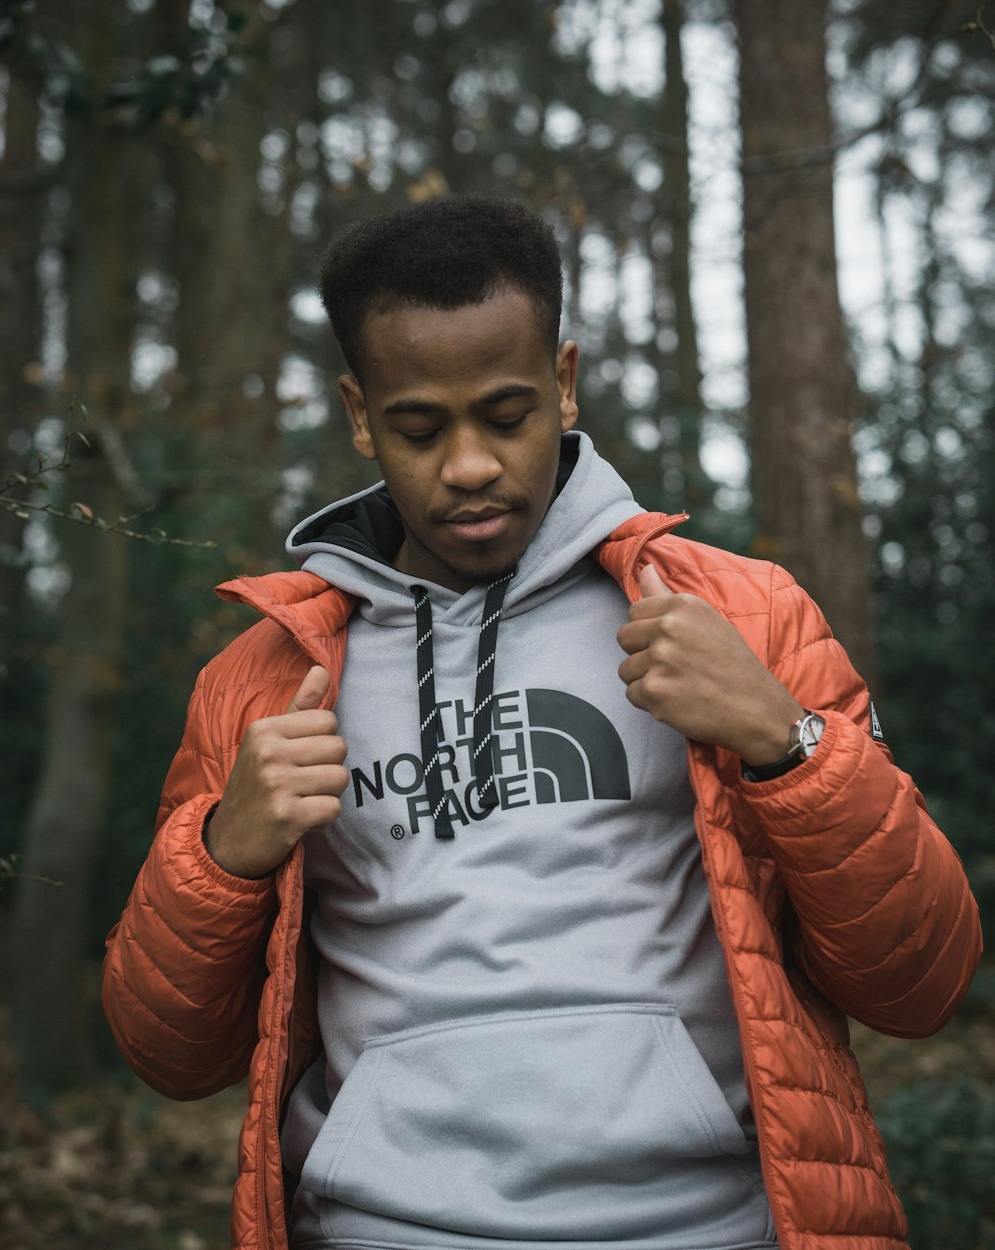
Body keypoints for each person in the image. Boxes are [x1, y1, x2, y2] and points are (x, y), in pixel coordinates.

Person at [103, 195, 981, 1250]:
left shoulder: (739, 616)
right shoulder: (263, 676)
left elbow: (919, 978)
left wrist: (783, 741)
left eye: (506, 415)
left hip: (706, 1224)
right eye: (420, 427)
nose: (469, 465)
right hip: (385, 1227)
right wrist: (221, 854)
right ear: (359, 412)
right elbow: (171, 1054)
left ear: (563, 384)